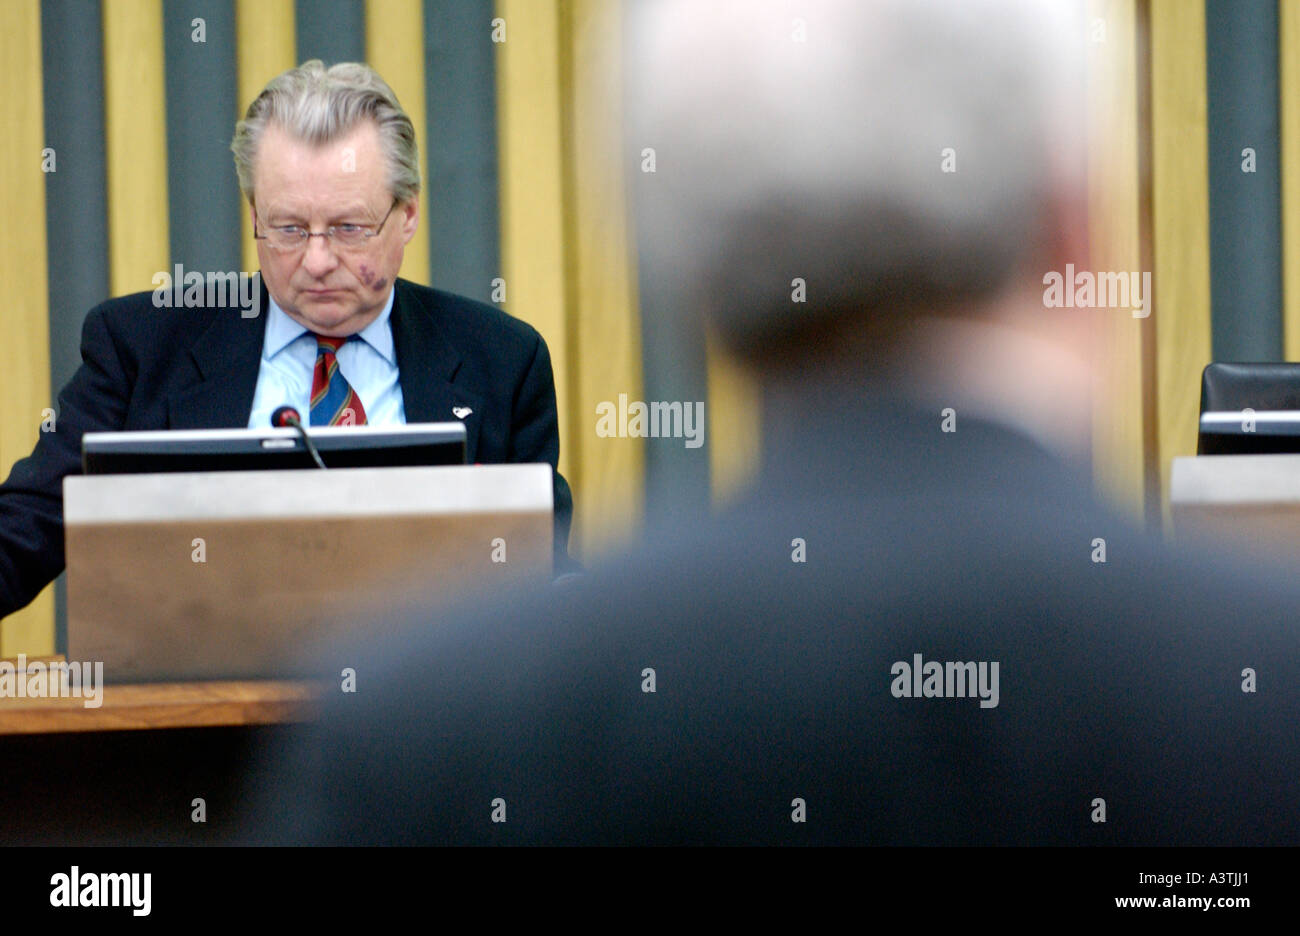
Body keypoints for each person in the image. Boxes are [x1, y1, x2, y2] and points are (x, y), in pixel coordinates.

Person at [237, 0, 1300, 845]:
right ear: (1075, 230)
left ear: (691, 270)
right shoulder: (1264, 681)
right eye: (288, 227)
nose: (319, 256)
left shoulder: (421, 737)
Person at [0, 60, 574, 619]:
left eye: (349, 228)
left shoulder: (501, 362)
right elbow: (27, 527)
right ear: (254, 214)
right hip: (192, 704)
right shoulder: (141, 348)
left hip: (419, 707)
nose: (317, 261)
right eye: (289, 229)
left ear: (408, 215)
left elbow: (540, 572)